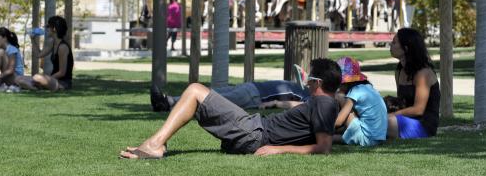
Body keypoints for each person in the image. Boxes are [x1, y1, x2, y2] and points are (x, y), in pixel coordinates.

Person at [121, 58, 341, 159]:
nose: (307, 83)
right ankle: (157, 143)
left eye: (310, 79)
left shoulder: (323, 103)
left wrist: (278, 149)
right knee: (196, 96)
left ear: (318, 83)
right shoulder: (325, 104)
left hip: (255, 133)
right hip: (256, 129)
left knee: (196, 91)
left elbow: (323, 147)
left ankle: (155, 145)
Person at [386, 27, 440, 139]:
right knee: (372, 119)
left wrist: (390, 115)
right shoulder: (400, 71)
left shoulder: (423, 74)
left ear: (406, 48)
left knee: (383, 122)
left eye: (394, 42)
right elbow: (402, 103)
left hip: (423, 126)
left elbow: (418, 109)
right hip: (403, 120)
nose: (390, 44)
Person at [151, 79, 309, 112]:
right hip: (251, 87)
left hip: (255, 96)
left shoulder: (310, 98)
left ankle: (169, 104)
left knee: (212, 99)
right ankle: (169, 100)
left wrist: (274, 103)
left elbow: (301, 105)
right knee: (212, 93)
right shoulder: (305, 88)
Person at [333, 57, 387, 147]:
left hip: (366, 139)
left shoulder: (355, 92)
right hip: (378, 139)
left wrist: (321, 127)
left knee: (340, 97)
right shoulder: (368, 88)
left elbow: (338, 122)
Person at [16, 16, 74, 91]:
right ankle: (36, 87)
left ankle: (36, 86)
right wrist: (32, 39)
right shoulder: (52, 43)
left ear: (54, 29)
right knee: (19, 78)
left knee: (37, 77)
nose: (46, 29)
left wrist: (47, 79)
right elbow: (39, 55)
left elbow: (62, 72)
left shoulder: (62, 47)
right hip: (52, 80)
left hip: (62, 83)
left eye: (48, 27)